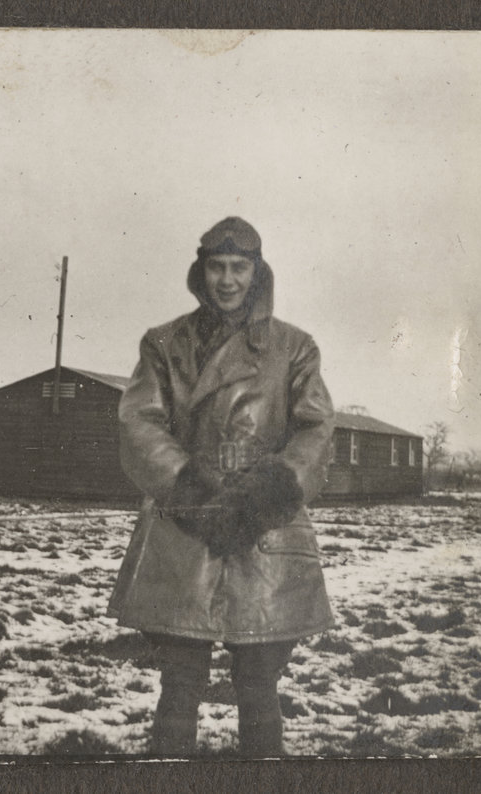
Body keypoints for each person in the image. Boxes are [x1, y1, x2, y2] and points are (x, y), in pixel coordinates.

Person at [107, 216, 335, 757]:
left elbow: (316, 429)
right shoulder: (165, 343)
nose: (227, 280)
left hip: (265, 528)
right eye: (217, 267)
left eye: (239, 267)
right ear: (201, 271)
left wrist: (266, 493)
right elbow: (139, 422)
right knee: (179, 677)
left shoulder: (294, 347)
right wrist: (192, 491)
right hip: (185, 521)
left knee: (259, 679)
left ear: (257, 273)